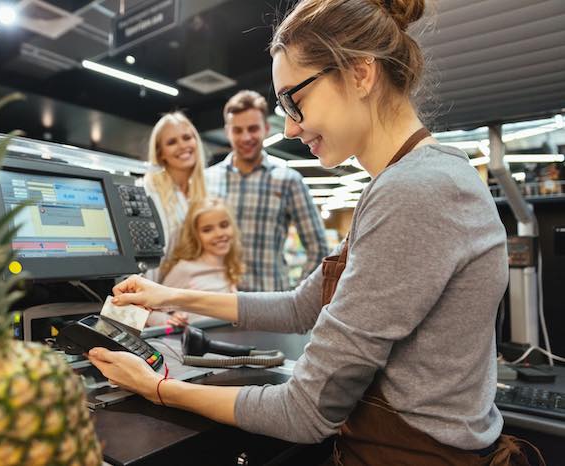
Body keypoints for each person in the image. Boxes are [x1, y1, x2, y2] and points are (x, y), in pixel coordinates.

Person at [89, 0, 542, 464]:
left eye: (294, 98)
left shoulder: (415, 191)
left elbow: (305, 412)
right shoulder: (406, 181)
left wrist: (158, 388)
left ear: (360, 74)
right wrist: (168, 296)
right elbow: (300, 306)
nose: (287, 126)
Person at [205, 89, 327, 292]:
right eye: (237, 130)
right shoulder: (207, 180)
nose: (246, 137)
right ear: (228, 132)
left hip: (270, 307)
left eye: (253, 128)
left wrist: (298, 297)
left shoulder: (288, 180)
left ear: (266, 128)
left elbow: (319, 249)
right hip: (216, 303)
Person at [146, 197, 244, 327]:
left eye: (224, 225)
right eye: (207, 230)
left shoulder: (229, 267)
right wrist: (169, 321)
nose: (219, 233)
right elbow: (150, 312)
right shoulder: (185, 269)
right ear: (195, 235)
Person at [142, 111, 207, 277]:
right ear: (160, 153)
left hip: (188, 290)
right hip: (153, 291)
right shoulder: (148, 190)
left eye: (187, 137)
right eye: (172, 142)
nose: (182, 146)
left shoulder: (204, 191)